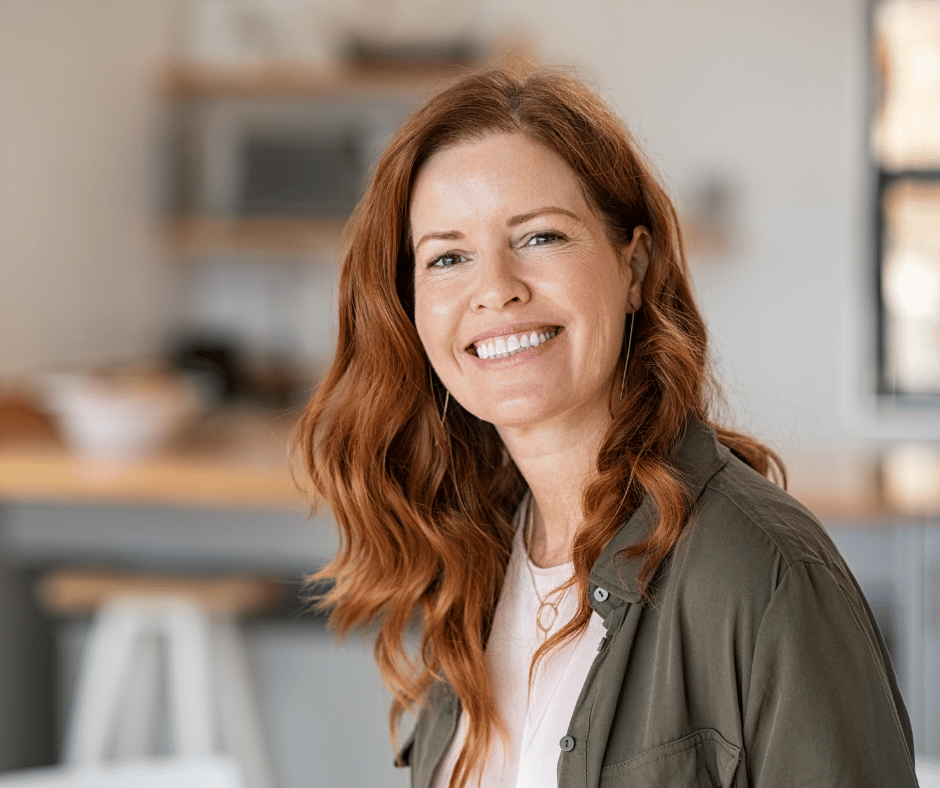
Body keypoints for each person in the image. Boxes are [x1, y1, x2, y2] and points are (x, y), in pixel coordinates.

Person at [294, 68, 917, 788]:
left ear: (635, 265)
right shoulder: (472, 559)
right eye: (448, 257)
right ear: (410, 306)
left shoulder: (763, 575)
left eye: (540, 237)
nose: (495, 288)